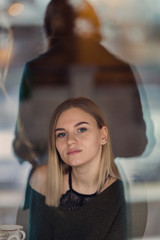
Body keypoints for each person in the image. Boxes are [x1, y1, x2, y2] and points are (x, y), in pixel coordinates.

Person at [25, 97, 147, 240]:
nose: (70, 140)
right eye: (61, 134)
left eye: (81, 129)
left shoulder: (124, 191)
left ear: (103, 136)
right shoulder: (43, 179)